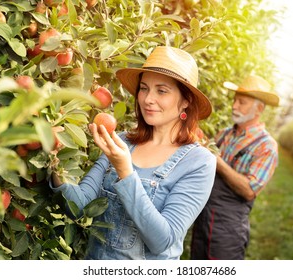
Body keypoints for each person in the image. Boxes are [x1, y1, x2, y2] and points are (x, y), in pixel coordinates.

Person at [50, 46, 216, 260]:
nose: (148, 99)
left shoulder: (199, 162)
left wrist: (125, 172)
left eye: (162, 91)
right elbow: (81, 207)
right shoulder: (121, 142)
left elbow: (163, 241)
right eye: (144, 88)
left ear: (186, 101)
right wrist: (53, 161)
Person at [190, 75, 280, 260]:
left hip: (228, 229)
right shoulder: (224, 135)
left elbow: (248, 190)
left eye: (242, 102)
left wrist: (218, 161)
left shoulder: (266, 146)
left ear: (259, 109)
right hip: (202, 220)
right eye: (235, 101)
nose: (234, 106)